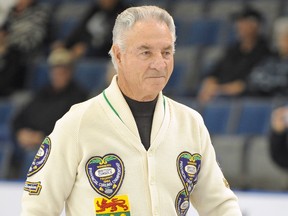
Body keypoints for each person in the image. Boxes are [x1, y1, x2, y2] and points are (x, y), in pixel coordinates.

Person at [21, 6, 242, 215]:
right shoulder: (77, 123)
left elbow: (220, 205)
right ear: (118, 55)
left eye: (166, 52)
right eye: (146, 53)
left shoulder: (190, 123)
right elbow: (38, 207)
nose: (159, 63)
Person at [10, 48, 88, 178]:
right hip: (29, 141)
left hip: (54, 146)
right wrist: (20, 133)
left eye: (63, 70)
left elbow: (72, 127)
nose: (59, 74)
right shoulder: (41, 92)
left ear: (70, 71)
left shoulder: (79, 96)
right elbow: (19, 118)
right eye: (55, 70)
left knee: (35, 154)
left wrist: (43, 137)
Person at [197, 6, 271, 103]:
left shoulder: (266, 52)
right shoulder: (232, 49)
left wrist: (218, 90)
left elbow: (249, 84)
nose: (239, 25)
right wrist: (209, 86)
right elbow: (214, 72)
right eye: (239, 22)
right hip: (220, 96)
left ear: (255, 25)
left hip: (244, 100)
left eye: (244, 21)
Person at [0, 0, 52, 97]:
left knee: (13, 54)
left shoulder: (39, 12)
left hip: (26, 54)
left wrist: (7, 44)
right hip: (8, 50)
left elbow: (32, 40)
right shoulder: (11, 13)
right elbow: (3, 32)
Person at [53, 0, 128, 60]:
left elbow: (110, 39)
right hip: (85, 48)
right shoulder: (95, 9)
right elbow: (80, 29)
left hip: (103, 54)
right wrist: (65, 44)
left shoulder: (123, 13)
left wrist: (87, 48)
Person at [247, 17, 288, 97]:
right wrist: (276, 84)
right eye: (280, 38)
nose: (282, 42)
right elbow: (254, 78)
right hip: (266, 99)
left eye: (286, 38)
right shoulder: (271, 60)